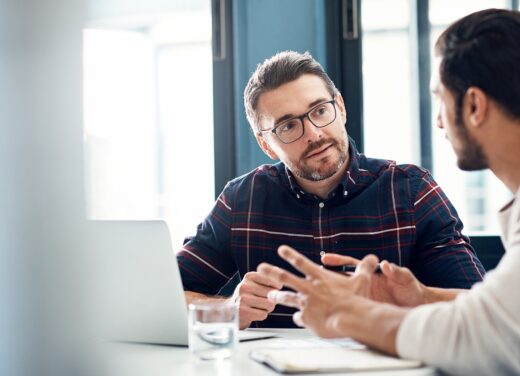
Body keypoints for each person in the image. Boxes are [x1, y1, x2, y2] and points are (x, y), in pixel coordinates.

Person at [257, 9, 520, 375]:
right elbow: (510, 309)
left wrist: (349, 315)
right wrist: (423, 297)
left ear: (474, 106)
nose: (438, 120)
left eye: (440, 99)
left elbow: (487, 341)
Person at [176, 51, 485, 329]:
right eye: (288, 126)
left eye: (320, 110)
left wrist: (414, 298)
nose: (313, 133)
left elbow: (478, 309)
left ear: (340, 107)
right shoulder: (241, 200)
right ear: (265, 144)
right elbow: (166, 298)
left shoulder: (412, 191)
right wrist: (225, 309)